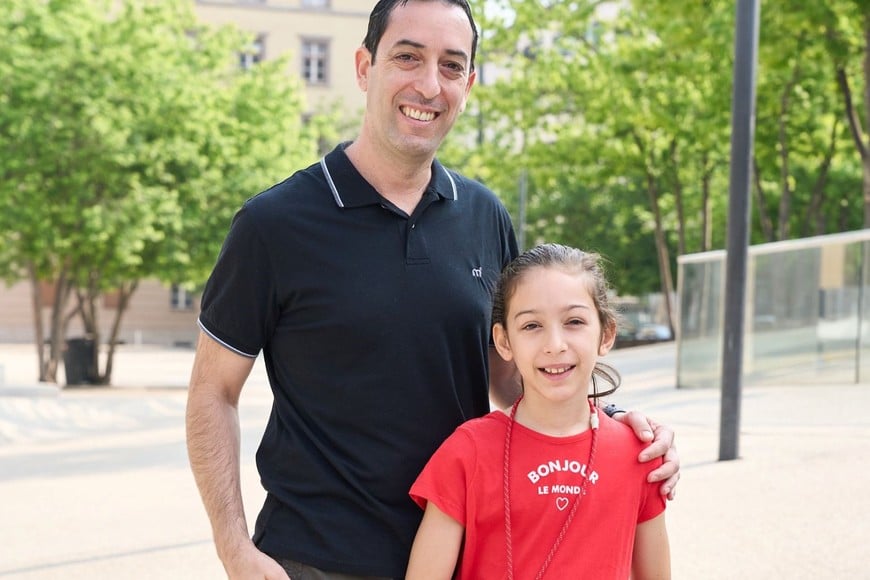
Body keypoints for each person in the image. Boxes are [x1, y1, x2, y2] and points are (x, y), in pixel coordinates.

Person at [185, 1, 680, 579]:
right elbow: (211, 393)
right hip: (315, 557)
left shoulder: (485, 215)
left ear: (468, 84)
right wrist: (234, 548)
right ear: (365, 66)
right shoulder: (273, 225)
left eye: (450, 66)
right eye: (407, 57)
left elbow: (515, 370)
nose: (428, 84)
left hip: (466, 554)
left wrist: (613, 425)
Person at [406, 243, 671, 579]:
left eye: (574, 321)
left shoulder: (640, 454)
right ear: (504, 342)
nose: (554, 344)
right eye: (532, 326)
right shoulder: (467, 451)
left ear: (606, 334)